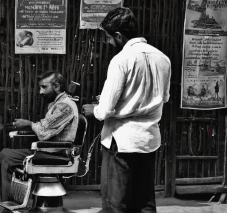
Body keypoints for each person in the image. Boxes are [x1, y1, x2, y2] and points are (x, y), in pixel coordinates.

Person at [82, 7, 171, 213]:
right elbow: (163, 98)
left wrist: (94, 109)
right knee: (144, 203)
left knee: (116, 204)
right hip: (148, 140)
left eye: (109, 37)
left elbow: (104, 111)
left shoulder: (121, 60)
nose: (108, 42)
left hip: (121, 141)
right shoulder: (163, 58)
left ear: (119, 35)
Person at [0, 71, 79, 201]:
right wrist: (30, 125)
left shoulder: (65, 106)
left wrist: (29, 124)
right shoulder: (58, 104)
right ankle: (18, 199)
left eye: (44, 87)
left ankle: (11, 202)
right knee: (4, 153)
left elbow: (43, 133)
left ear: (57, 86)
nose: (41, 92)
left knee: (6, 158)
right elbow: (45, 127)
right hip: (49, 150)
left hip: (56, 153)